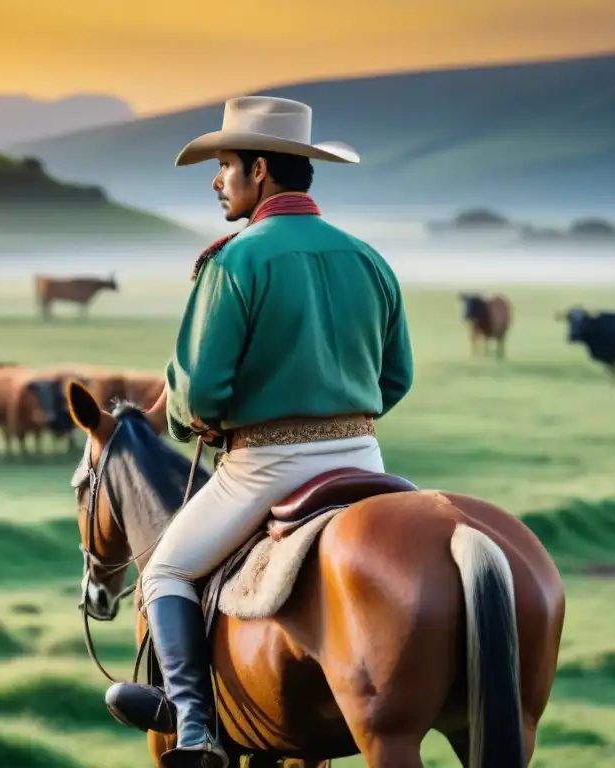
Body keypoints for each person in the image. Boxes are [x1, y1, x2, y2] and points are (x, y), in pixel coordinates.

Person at [107, 95, 414, 768]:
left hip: (266, 467)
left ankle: (195, 727)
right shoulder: (370, 260)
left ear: (262, 171)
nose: (217, 181)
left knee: (165, 571)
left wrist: (198, 421)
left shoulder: (234, 262)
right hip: (364, 456)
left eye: (224, 166)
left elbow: (199, 395)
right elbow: (397, 381)